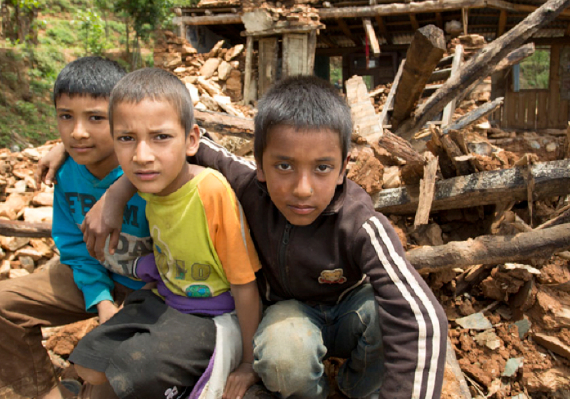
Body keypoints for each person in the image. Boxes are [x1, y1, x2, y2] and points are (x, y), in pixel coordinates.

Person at [40, 76, 448, 399]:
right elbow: (163, 134)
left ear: (344, 168)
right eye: (284, 165)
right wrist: (108, 184)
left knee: (384, 312)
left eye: (322, 168)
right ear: (261, 165)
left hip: (348, 311)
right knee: (285, 355)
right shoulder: (246, 183)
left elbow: (423, 319)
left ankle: (360, 389)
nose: (302, 188)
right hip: (290, 312)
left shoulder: (360, 224)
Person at [67, 68, 262, 399]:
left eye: (161, 137)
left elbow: (244, 285)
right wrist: (116, 193)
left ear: (191, 140)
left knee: (132, 372)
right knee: (87, 363)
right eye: (127, 139)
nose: (142, 156)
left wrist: (248, 363)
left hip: (212, 314)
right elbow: (136, 172)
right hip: (164, 297)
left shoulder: (210, 192)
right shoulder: (150, 182)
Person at [0, 56, 153, 399]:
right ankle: (40, 389)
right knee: (4, 304)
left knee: (109, 375)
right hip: (93, 275)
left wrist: (131, 307)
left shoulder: (152, 170)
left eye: (95, 118)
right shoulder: (68, 173)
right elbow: (74, 248)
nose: (78, 132)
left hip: (153, 289)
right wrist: (99, 299)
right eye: (66, 116)